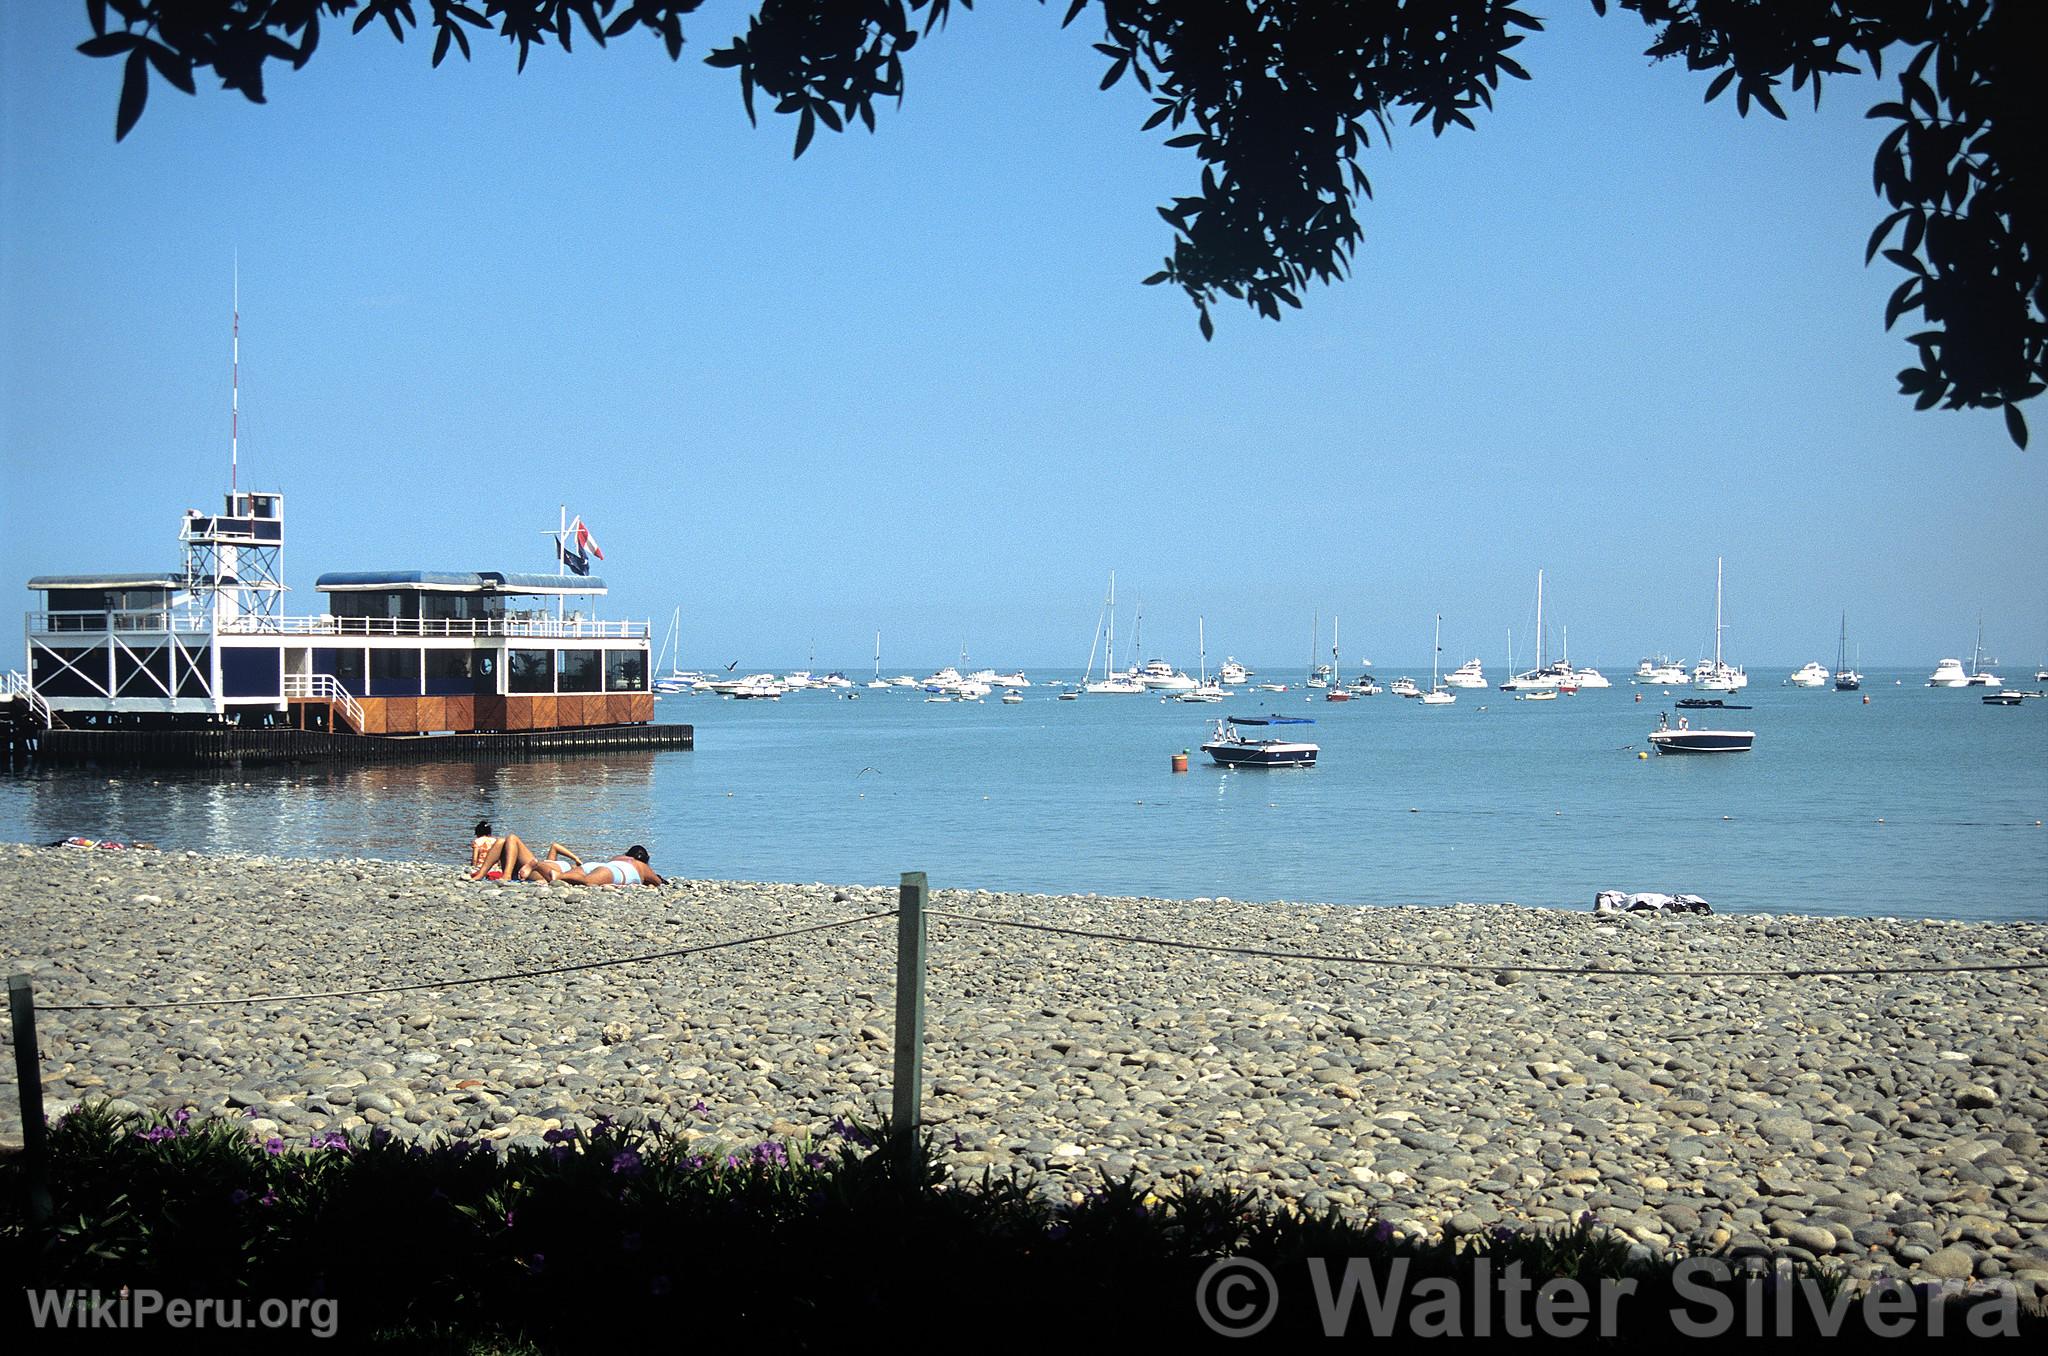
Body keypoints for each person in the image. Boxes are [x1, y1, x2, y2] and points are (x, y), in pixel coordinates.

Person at [469, 835, 663, 886]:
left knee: (507, 840)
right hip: (608, 873)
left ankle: (481, 873)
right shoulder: (641, 867)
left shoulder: (618, 858)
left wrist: (576, 859)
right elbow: (656, 882)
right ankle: (506, 875)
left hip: (591, 866)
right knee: (586, 881)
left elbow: (554, 846)